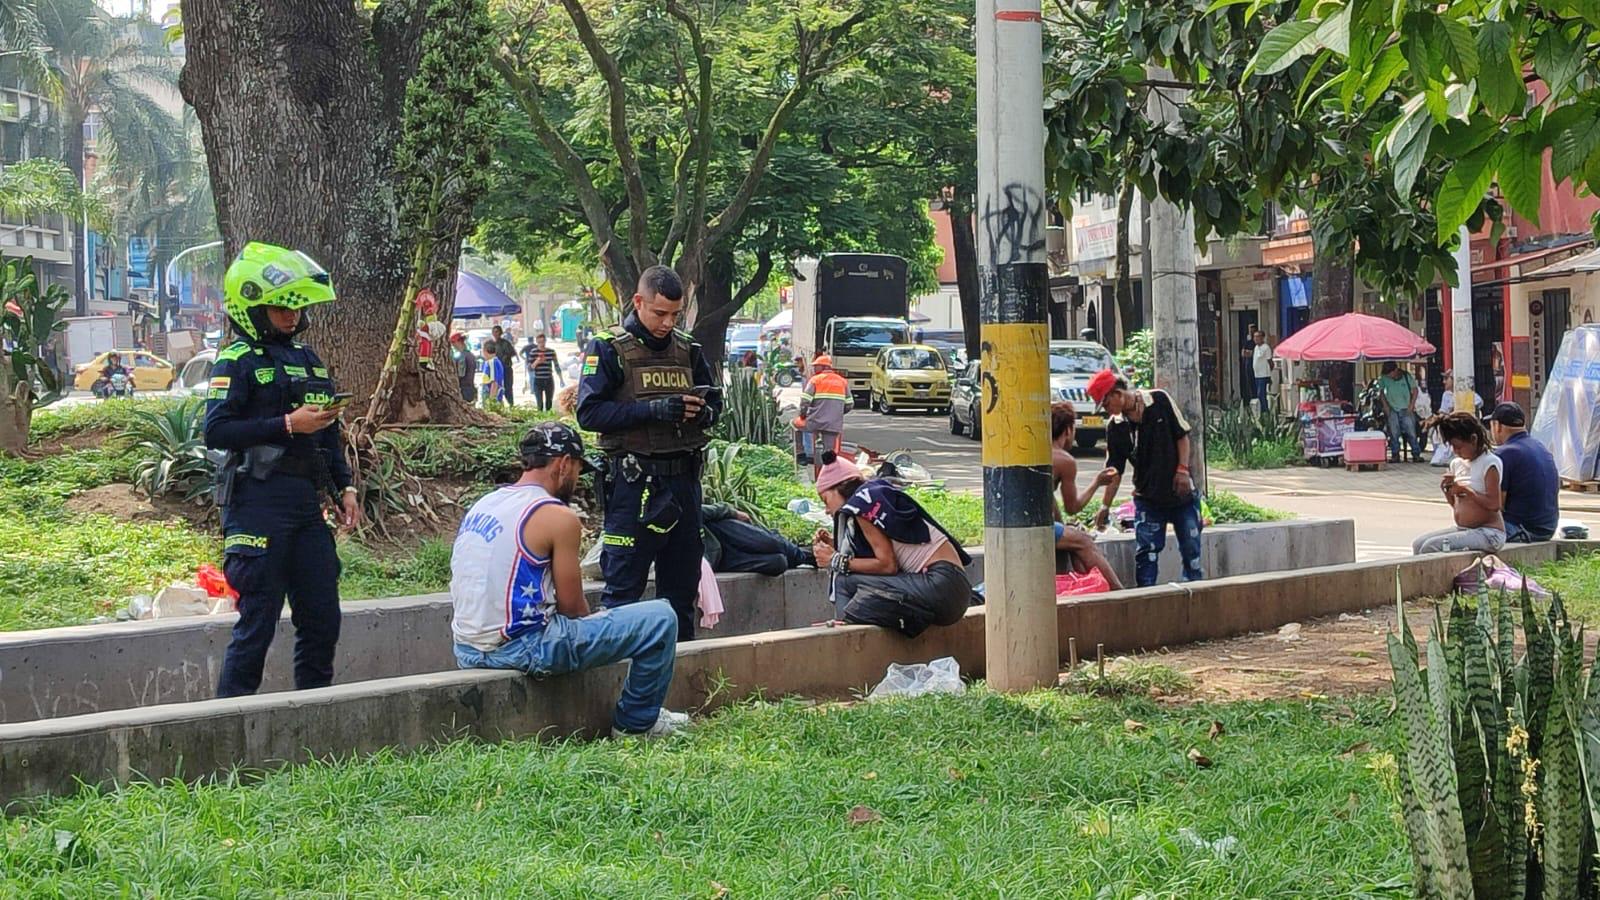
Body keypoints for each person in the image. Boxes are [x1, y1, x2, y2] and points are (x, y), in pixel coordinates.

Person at [450, 422, 687, 739]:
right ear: (563, 464)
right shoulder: (557, 516)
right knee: (660, 619)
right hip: (522, 647)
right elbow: (573, 607)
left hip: (466, 649)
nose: (577, 479)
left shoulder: (485, 504)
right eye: (578, 469)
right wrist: (601, 628)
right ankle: (636, 724)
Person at [204, 242, 361, 698]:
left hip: (305, 508)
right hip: (256, 505)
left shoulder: (307, 359)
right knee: (258, 623)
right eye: (280, 308)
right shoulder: (236, 361)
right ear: (252, 308)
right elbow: (217, 430)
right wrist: (288, 424)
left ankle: (313, 715)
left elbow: (327, 432)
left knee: (323, 618)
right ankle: (227, 726)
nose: (291, 317)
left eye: (296, 308)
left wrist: (345, 487)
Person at [577, 265, 722, 639]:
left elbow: (714, 405)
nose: (667, 323)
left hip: (684, 483)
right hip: (632, 485)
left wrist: (702, 412)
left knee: (682, 590)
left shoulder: (688, 350)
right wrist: (654, 410)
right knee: (623, 591)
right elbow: (589, 413)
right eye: (660, 313)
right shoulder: (609, 348)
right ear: (638, 301)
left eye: (675, 314)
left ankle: (680, 680)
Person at [811, 451, 977, 636]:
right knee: (859, 592)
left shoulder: (861, 506)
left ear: (839, 488)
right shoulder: (872, 496)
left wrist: (836, 560)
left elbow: (887, 565)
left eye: (825, 500)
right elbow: (885, 548)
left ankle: (844, 641)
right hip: (954, 589)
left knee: (843, 582)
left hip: (941, 583)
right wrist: (834, 546)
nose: (826, 510)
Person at [1087, 370, 1202, 587]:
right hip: (1147, 499)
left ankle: (1195, 601)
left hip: (1180, 494)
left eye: (1106, 403)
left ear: (1117, 394)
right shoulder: (1116, 427)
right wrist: (1105, 505)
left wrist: (1183, 470)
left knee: (1191, 553)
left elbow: (1182, 436)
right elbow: (1115, 470)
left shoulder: (1158, 400)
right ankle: (1146, 602)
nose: (1106, 409)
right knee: (1146, 557)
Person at [1049, 402, 1123, 590]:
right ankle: (1118, 592)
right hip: (1038, 527)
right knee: (1084, 542)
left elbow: (1048, 501)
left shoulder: (1038, 453)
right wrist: (1097, 482)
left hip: (1027, 523)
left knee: (1074, 542)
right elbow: (1072, 507)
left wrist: (1064, 526)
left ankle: (1088, 591)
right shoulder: (1064, 460)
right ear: (1068, 430)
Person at [1414, 412, 1506, 554]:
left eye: (1459, 447)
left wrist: (1467, 490)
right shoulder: (1457, 464)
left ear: (1473, 439)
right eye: (1452, 447)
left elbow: (1494, 505)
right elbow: (1457, 505)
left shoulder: (1489, 463)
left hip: (1488, 532)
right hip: (1465, 529)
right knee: (1419, 544)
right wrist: (1448, 490)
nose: (1456, 452)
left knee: (1431, 547)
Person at [1488, 402, 1559, 543]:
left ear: (1498, 426)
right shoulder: (1540, 447)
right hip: (1547, 528)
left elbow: (1496, 505)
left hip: (1521, 530)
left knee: (1471, 531)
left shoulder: (1504, 454)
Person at [703, 503, 814, 575]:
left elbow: (697, 510)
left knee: (771, 543)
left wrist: (732, 512)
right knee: (778, 563)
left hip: (717, 532)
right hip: (719, 561)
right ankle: (811, 555)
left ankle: (813, 556)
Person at [795, 354, 850, 479]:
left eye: (816, 366)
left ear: (823, 367)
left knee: (796, 426)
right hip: (833, 424)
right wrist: (837, 414)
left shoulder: (815, 380)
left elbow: (805, 401)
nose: (814, 369)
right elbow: (850, 404)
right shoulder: (842, 381)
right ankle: (828, 476)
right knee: (829, 452)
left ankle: (801, 455)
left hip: (814, 421)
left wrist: (802, 415)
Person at [1378, 361, 1425, 462]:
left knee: (1411, 432)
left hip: (1406, 409)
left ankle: (1416, 454)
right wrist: (1386, 406)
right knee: (1394, 433)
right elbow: (1381, 393)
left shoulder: (1406, 376)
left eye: (1390, 374)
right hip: (1392, 409)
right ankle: (1395, 454)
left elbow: (1415, 391)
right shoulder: (1384, 378)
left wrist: (1411, 406)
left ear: (1395, 370)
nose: (1389, 376)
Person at [524, 332, 563, 412]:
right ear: (537, 342)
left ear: (545, 341)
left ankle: (548, 420)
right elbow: (530, 368)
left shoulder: (551, 352)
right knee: (540, 404)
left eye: (543, 342)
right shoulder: (533, 352)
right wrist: (537, 361)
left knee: (549, 403)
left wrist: (561, 379)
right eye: (539, 342)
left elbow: (556, 366)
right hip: (538, 380)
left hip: (549, 379)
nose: (541, 344)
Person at [490, 325, 516, 406]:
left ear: (500, 332)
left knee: (508, 389)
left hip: (506, 369)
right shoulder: (491, 344)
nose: (495, 333)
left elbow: (513, 353)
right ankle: (499, 405)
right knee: (496, 388)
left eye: (497, 331)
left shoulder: (505, 343)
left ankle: (511, 405)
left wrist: (505, 357)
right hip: (496, 370)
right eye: (494, 332)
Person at [450, 333, 477, 403]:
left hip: (463, 389)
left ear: (459, 342)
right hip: (470, 387)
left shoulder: (462, 357)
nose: (453, 345)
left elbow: (461, 374)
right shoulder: (471, 355)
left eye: (453, 342)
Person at [1250, 329, 1273, 410]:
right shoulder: (1256, 347)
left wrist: (1270, 373)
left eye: (1258, 337)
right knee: (1258, 395)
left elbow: (1270, 361)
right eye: (1254, 337)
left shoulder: (1266, 348)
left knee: (1261, 394)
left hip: (1264, 375)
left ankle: (1265, 411)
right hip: (1257, 374)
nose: (1255, 339)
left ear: (1262, 338)